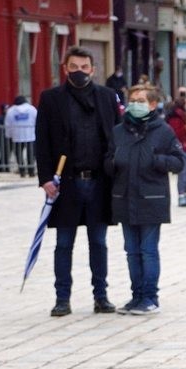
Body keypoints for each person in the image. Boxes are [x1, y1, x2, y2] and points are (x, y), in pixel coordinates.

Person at [36, 47, 120, 316]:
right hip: (66, 184)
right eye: (74, 67)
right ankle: (62, 298)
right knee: (63, 243)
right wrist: (46, 179)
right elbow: (42, 142)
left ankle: (101, 295)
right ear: (65, 69)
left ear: (93, 70)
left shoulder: (107, 97)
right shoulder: (51, 99)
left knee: (98, 242)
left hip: (98, 183)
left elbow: (116, 138)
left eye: (85, 67)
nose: (80, 72)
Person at [110, 84, 185, 314]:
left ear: (153, 105)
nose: (135, 104)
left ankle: (150, 298)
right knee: (131, 251)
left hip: (151, 199)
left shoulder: (162, 131)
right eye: (132, 100)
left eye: (141, 101)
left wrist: (156, 160)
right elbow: (108, 159)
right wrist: (114, 162)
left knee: (148, 250)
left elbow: (178, 162)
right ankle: (136, 296)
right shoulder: (119, 131)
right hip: (125, 198)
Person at [165, 86, 186, 206]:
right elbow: (175, 132)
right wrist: (185, 128)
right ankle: (182, 195)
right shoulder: (176, 116)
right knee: (184, 172)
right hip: (182, 147)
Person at [4, 95, 38, 176]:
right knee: (31, 153)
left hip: (17, 136)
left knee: (18, 154)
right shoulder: (32, 109)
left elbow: (7, 124)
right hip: (30, 135)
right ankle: (31, 170)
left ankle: (22, 170)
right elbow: (37, 120)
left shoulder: (11, 111)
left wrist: (8, 135)